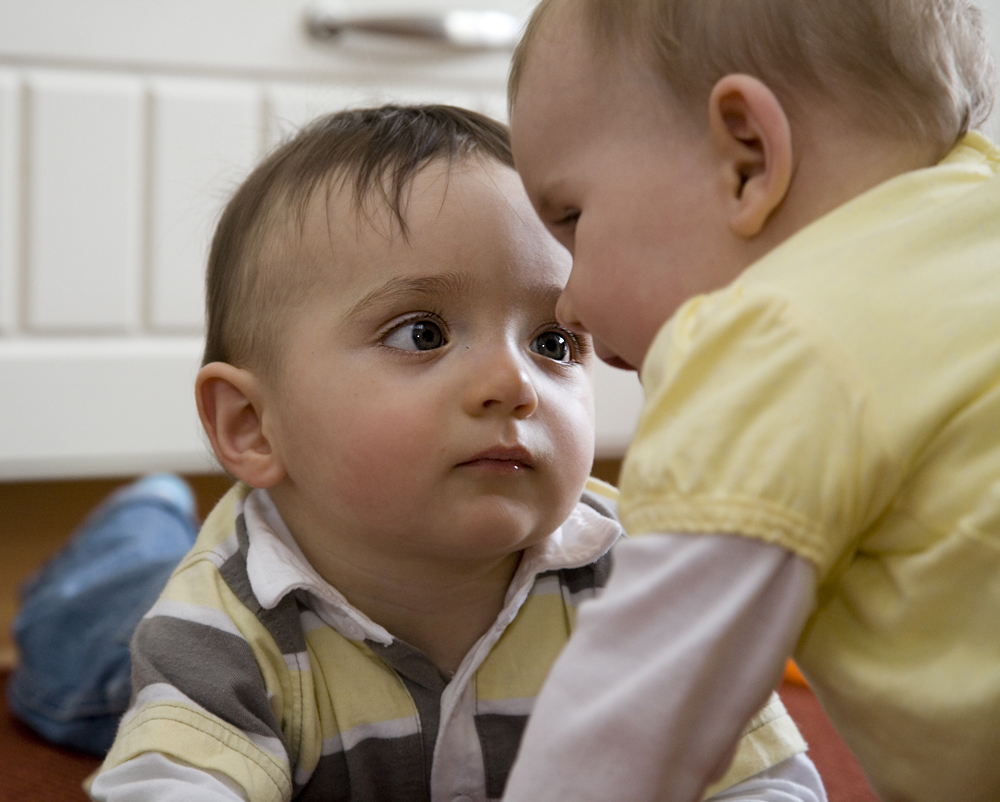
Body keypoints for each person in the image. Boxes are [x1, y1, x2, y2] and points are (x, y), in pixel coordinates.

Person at [85, 105, 824, 801]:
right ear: (252, 424)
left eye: (553, 342)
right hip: (120, 650)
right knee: (84, 665)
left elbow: (762, 779)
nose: (514, 383)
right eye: (422, 334)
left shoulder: (645, 578)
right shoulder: (217, 624)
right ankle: (137, 521)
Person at [501, 1, 1000, 801]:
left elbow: (628, 726)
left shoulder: (767, 342)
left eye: (572, 218)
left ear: (746, 160)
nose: (569, 305)